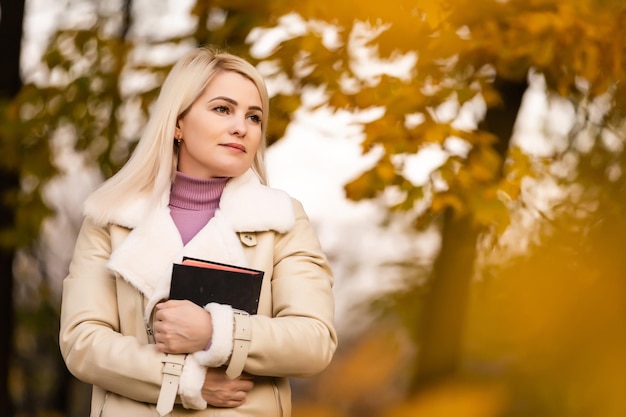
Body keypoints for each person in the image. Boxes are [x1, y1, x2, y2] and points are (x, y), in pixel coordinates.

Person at [59, 46, 337, 417]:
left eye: (254, 117)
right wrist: (185, 380)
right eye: (223, 109)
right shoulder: (110, 217)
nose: (242, 126)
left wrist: (215, 331)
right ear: (177, 123)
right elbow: (83, 342)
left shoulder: (282, 219)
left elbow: (314, 340)